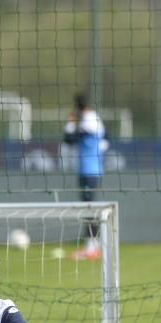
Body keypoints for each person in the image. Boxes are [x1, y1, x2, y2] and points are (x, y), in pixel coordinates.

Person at [62, 92, 107, 261]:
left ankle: (92, 247)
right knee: (88, 206)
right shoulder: (93, 119)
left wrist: (71, 123)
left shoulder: (89, 120)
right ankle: (92, 245)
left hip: (89, 171)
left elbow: (69, 139)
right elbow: (105, 140)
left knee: (89, 207)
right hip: (88, 169)